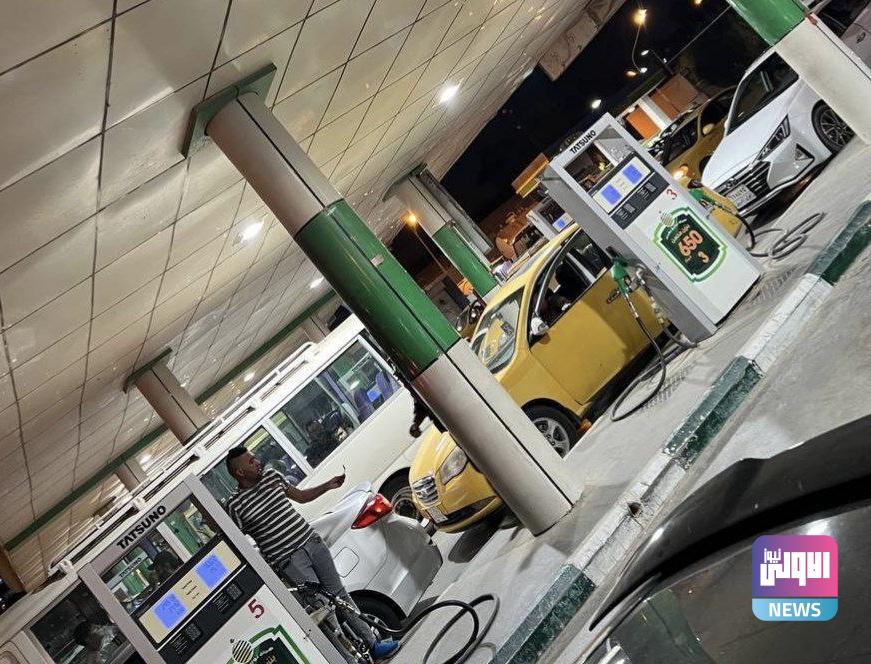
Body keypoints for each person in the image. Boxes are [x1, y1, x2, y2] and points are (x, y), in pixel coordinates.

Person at [224, 448, 399, 661]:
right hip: (289, 561)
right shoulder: (235, 505)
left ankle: (374, 645)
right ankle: (349, 659)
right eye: (251, 462)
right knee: (323, 612)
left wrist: (328, 485)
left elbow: (301, 497)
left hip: (312, 543)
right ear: (240, 472)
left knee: (340, 595)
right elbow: (235, 541)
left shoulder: (272, 476)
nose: (258, 462)